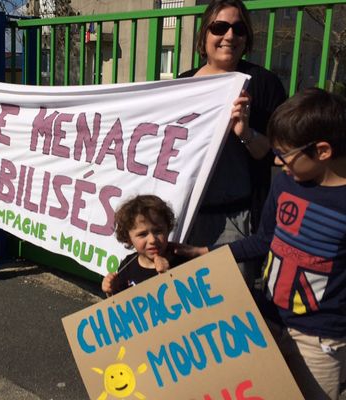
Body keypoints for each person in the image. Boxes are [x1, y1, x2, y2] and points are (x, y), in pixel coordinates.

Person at [179, 88, 346, 400]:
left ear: (322, 151)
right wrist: (206, 253)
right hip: (265, 319)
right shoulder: (285, 181)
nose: (279, 162)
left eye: (285, 154)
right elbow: (265, 240)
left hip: (321, 340)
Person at [178, 0, 286, 290]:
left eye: (238, 29)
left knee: (232, 301)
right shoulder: (183, 83)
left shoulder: (263, 84)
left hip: (235, 220)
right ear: (204, 36)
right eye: (219, 27)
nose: (229, 36)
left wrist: (244, 131)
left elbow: (277, 153)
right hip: (186, 214)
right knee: (188, 301)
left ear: (246, 37)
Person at [101, 195, 186, 297]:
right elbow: (120, 306)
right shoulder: (127, 266)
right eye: (142, 234)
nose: (152, 240)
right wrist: (111, 291)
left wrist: (169, 276)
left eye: (158, 231)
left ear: (168, 230)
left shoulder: (181, 262)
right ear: (129, 239)